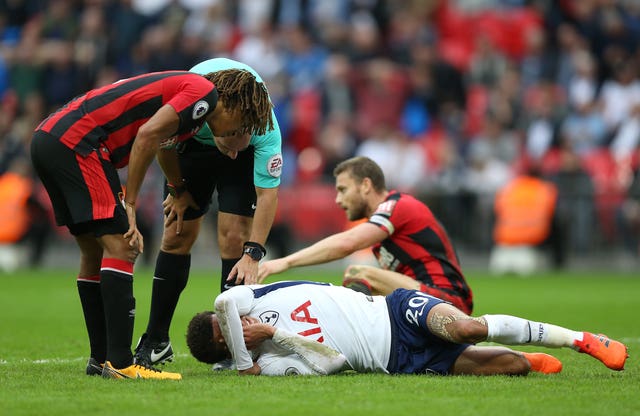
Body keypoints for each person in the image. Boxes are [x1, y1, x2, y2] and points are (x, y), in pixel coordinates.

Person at [30, 68, 273, 380]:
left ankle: (100, 359)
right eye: (240, 125)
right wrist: (129, 203)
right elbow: (148, 135)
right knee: (123, 244)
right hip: (80, 143)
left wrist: (178, 189)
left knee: (93, 250)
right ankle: (120, 364)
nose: (236, 136)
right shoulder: (203, 94)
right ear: (235, 106)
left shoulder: (191, 107)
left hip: (51, 137)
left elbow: (163, 142)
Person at [133, 58, 283, 368]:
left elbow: (267, 194)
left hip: (234, 147)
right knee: (176, 234)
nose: (232, 151)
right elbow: (163, 142)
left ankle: (232, 345)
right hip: (190, 149)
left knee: (234, 238)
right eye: (230, 138)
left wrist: (253, 253)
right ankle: (156, 338)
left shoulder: (263, 127)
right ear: (222, 117)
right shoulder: (191, 104)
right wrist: (177, 190)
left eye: (243, 137)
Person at [186, 281, 628, 376]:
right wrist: (271, 340)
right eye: (229, 333)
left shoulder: (248, 299)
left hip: (393, 311)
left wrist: (242, 353)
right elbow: (335, 363)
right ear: (225, 349)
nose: (236, 323)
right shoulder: (272, 360)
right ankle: (530, 355)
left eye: (227, 324)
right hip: (397, 360)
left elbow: (225, 300)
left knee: (468, 329)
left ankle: (583, 339)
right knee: (512, 368)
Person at [256, 156, 474, 314]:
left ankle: (350, 334)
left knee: (360, 273)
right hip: (425, 302)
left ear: (366, 185)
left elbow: (347, 244)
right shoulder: (386, 225)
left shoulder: (397, 206)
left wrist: (284, 262)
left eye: (343, 190)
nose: (338, 200)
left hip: (447, 301)